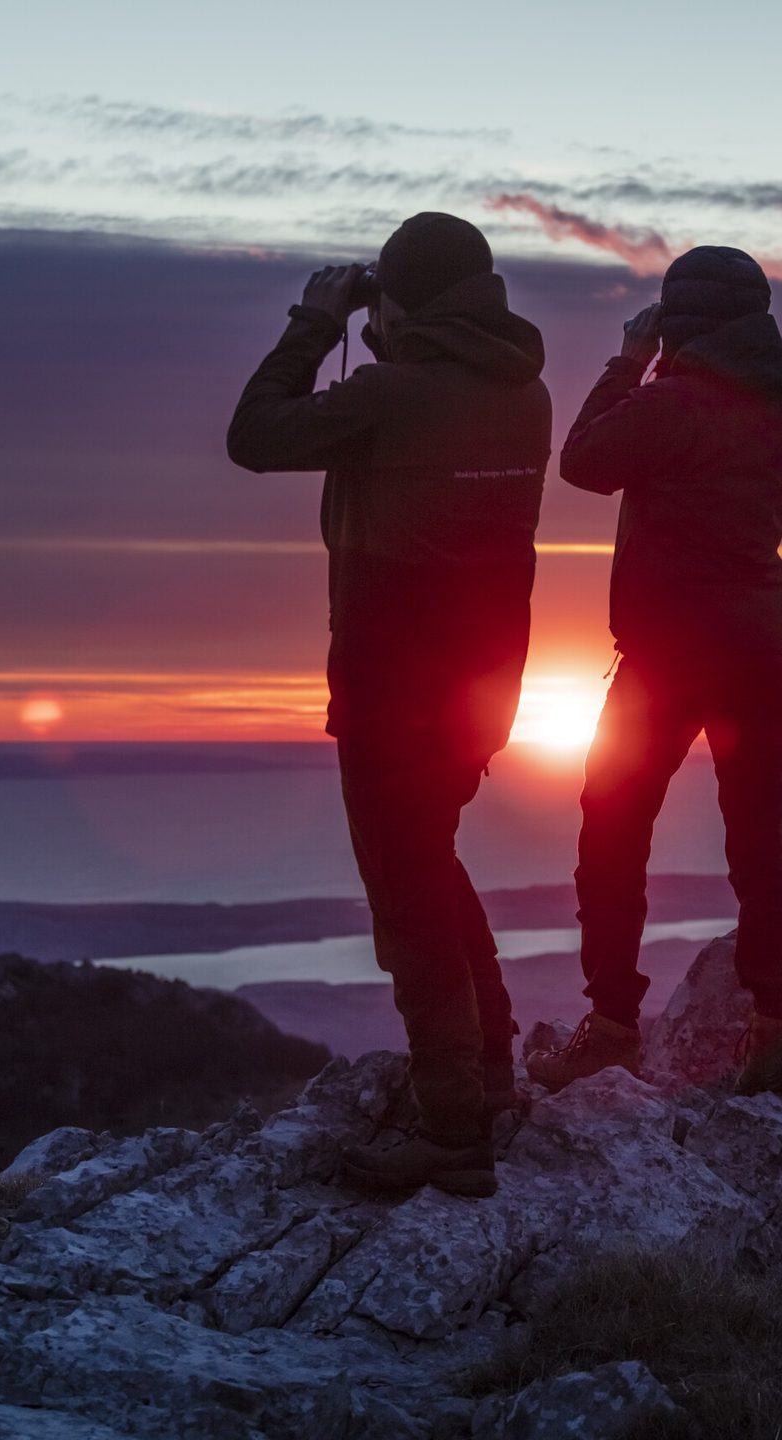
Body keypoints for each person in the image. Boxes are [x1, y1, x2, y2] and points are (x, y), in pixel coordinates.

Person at [227, 213, 551, 1197]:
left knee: (406, 896)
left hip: (392, 684)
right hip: (485, 683)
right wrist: (387, 329)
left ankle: (455, 1132)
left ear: (403, 298)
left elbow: (255, 437)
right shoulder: (526, 391)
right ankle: (489, 1078)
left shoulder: (394, 392)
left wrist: (316, 323)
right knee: (431, 866)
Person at [526, 245, 782, 1097]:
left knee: (613, 832)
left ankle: (612, 1026)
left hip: (666, 655)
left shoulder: (675, 403)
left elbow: (582, 461)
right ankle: (779, 1030)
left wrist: (626, 361)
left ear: (678, 318)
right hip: (761, 648)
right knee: (758, 842)